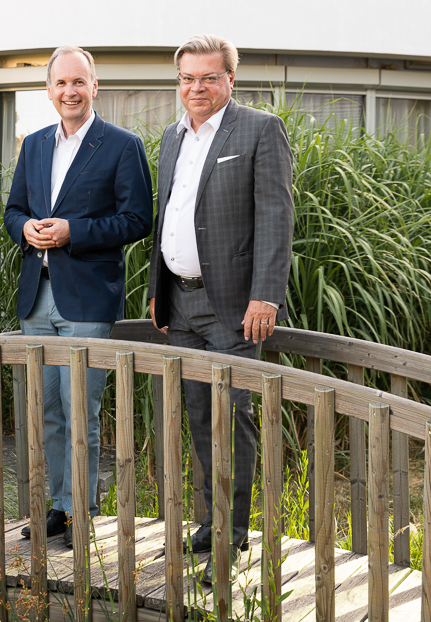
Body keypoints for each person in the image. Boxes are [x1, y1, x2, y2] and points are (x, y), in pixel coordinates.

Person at [147, 35, 294, 583]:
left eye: (209, 77)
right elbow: (169, 215)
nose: (197, 88)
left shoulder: (259, 129)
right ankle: (210, 522)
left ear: (231, 79)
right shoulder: (172, 136)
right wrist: (160, 289)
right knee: (199, 414)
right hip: (180, 301)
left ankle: (234, 535)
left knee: (233, 416)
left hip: (233, 303)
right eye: (187, 78)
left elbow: (276, 215)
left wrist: (266, 294)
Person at [4, 46, 153, 548]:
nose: (70, 91)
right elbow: (13, 210)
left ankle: (81, 512)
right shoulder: (34, 145)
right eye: (61, 83)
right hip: (37, 298)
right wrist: (25, 229)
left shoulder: (122, 145)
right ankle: (57, 505)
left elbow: (138, 219)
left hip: (88, 299)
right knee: (46, 411)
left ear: (94, 87)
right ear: (49, 90)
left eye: (79, 82)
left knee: (80, 412)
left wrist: (75, 232)